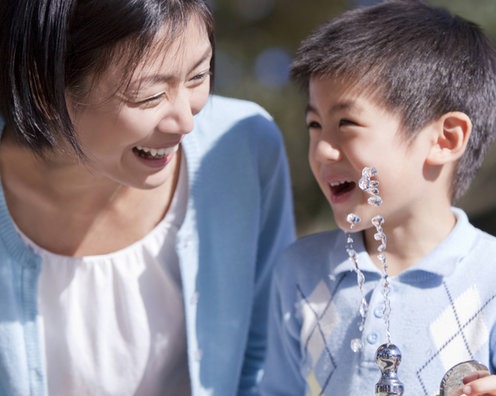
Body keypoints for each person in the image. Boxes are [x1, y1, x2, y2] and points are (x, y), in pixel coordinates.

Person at [259, 0, 496, 395]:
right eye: (315, 125)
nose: (322, 149)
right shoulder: (299, 274)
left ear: (445, 139)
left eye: (346, 123)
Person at [0, 0, 295, 395]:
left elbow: (266, 365)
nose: (185, 122)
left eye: (198, 75)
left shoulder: (241, 147)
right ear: (43, 88)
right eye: (149, 95)